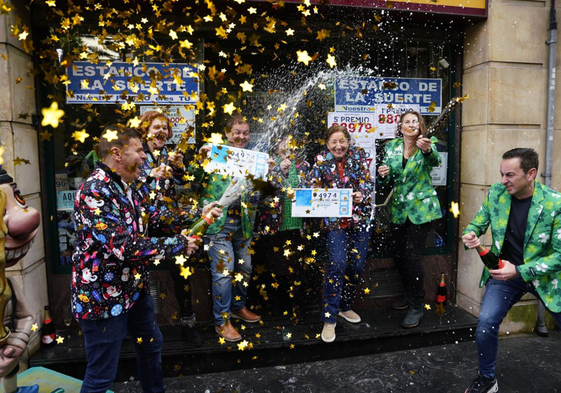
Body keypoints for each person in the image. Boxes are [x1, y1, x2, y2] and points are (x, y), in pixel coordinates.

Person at [71, 125, 200, 393]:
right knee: (101, 375)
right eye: (139, 149)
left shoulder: (133, 185)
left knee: (151, 347)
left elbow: (157, 218)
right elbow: (124, 247)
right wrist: (179, 244)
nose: (145, 156)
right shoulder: (94, 190)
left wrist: (199, 217)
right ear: (117, 153)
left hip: (135, 289)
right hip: (101, 297)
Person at [461, 148, 561, 393]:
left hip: (546, 279)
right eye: (501, 174)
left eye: (510, 175)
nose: (503, 180)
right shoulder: (497, 192)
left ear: (531, 173)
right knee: (485, 324)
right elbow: (478, 222)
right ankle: (487, 380)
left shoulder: (554, 203)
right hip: (504, 276)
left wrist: (521, 270)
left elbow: (559, 255)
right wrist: (471, 233)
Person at [136, 111, 207, 347]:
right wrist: (148, 174)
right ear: (145, 129)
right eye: (157, 127)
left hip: (169, 223)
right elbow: (125, 181)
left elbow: (185, 182)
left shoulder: (169, 154)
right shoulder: (136, 154)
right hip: (142, 225)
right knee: (138, 275)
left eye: (165, 128)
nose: (162, 132)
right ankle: (138, 327)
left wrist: (180, 167)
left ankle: (188, 323)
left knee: (182, 273)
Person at [190, 114, 261, 342]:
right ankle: (222, 321)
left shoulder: (252, 157)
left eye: (245, 133)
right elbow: (192, 177)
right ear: (227, 133)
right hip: (217, 224)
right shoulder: (215, 153)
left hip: (244, 224)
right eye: (237, 132)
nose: (241, 137)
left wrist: (267, 169)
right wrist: (200, 159)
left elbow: (262, 188)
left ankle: (238, 307)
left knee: (246, 268)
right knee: (223, 273)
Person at [305, 124, 373, 343]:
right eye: (333, 142)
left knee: (356, 265)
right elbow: (310, 189)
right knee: (337, 264)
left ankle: (345, 306)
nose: (338, 145)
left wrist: (361, 194)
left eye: (342, 141)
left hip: (359, 221)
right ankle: (330, 317)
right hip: (335, 224)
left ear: (348, 142)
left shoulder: (359, 156)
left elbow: (367, 183)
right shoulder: (321, 161)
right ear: (327, 144)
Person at [377, 110, 442, 328]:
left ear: (420, 125)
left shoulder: (427, 143)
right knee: (398, 255)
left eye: (415, 121)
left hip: (421, 210)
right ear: (401, 125)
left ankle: (417, 304)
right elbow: (388, 182)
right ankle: (408, 293)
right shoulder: (391, 146)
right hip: (399, 210)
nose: (412, 124)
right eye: (407, 121)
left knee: (412, 256)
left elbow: (435, 161)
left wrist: (427, 150)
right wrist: (383, 174)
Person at [254, 135, 310, 320]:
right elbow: (260, 191)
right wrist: (279, 170)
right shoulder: (267, 164)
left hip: (297, 225)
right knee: (274, 267)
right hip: (274, 225)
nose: (288, 147)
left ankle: (296, 305)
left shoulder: (303, 165)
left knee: (296, 268)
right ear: (277, 146)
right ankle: (277, 304)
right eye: (284, 143)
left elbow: (310, 191)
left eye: (292, 143)